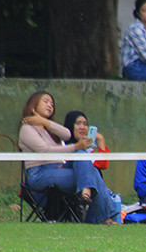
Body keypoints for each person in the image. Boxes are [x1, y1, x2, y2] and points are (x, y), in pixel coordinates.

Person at [17, 92, 117, 224]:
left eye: (52, 103)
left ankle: (87, 192)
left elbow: (67, 134)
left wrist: (45, 122)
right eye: (46, 101)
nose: (50, 105)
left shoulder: (48, 128)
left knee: (82, 155)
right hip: (39, 174)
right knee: (91, 172)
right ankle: (106, 217)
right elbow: (45, 150)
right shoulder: (27, 129)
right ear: (33, 105)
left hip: (58, 169)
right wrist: (75, 146)